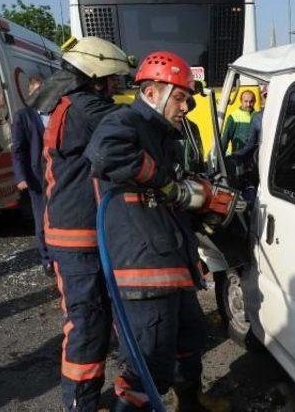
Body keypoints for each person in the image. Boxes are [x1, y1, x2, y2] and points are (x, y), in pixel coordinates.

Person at [86, 51, 239, 411]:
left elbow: (166, 189)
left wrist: (193, 198)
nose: (185, 107)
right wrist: (169, 185)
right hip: (142, 269)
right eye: (182, 97)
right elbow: (105, 155)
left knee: (189, 338)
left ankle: (191, 404)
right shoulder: (124, 121)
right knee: (148, 362)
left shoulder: (161, 133)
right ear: (153, 92)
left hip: (170, 261)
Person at [40, 37, 132, 411]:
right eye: (112, 79)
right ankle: (81, 404)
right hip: (77, 238)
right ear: (95, 75)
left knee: (107, 319)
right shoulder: (86, 108)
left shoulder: (72, 104)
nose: (115, 86)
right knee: (88, 325)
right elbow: (131, 122)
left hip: (84, 233)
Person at [11, 75, 52, 276]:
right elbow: (18, 150)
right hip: (38, 177)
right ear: (29, 93)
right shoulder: (23, 116)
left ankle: (60, 254)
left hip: (60, 174)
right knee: (42, 219)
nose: (39, 94)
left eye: (42, 90)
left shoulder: (55, 112)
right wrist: (20, 177)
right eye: (35, 91)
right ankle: (47, 260)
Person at [220, 89, 256, 154]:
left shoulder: (258, 116)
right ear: (241, 101)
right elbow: (225, 139)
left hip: (254, 158)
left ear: (255, 101)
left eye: (251, 101)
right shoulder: (233, 117)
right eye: (246, 101)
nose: (248, 104)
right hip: (239, 158)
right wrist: (220, 157)